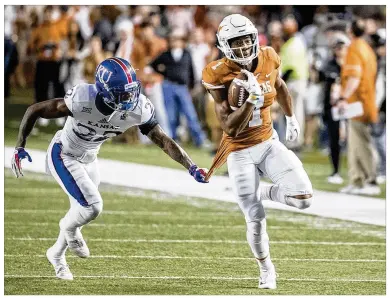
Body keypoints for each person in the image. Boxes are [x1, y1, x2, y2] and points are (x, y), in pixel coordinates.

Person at [11, 57, 209, 280]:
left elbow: (163, 141)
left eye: (131, 91)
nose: (130, 98)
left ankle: (56, 255)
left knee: (81, 210)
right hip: (64, 154)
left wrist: (191, 167)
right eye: (123, 93)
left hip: (90, 157)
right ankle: (68, 230)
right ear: (104, 91)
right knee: (92, 207)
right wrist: (19, 147)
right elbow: (35, 109)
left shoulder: (137, 108)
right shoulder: (82, 99)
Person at [202, 14, 313, 289]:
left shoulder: (269, 56)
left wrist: (291, 118)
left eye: (246, 40)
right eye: (236, 43)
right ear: (224, 45)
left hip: (267, 141)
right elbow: (230, 127)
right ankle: (266, 269)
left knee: (303, 198)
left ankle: (263, 192)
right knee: (255, 217)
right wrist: (250, 100)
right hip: (239, 151)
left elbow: (280, 86)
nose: (243, 47)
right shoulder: (216, 73)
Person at [337, 19, 379, 195]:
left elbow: (354, 77)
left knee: (361, 143)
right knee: (355, 143)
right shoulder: (367, 48)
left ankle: (370, 180)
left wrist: (342, 96)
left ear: (350, 31)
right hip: (364, 101)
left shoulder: (354, 48)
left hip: (357, 103)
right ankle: (357, 180)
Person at [150, 29, 207, 147]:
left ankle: (200, 140)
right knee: (170, 114)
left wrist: (191, 86)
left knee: (190, 114)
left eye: (177, 40)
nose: (174, 42)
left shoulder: (186, 53)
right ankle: (173, 140)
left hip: (182, 87)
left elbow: (191, 71)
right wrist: (164, 72)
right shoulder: (166, 54)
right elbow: (153, 64)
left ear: (182, 42)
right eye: (172, 40)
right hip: (168, 85)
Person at [320, 34, 350, 184]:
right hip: (333, 107)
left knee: (353, 139)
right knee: (334, 140)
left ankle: (356, 172)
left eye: (342, 47)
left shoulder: (351, 63)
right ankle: (336, 170)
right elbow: (321, 80)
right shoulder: (329, 64)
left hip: (350, 105)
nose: (339, 50)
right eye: (337, 47)